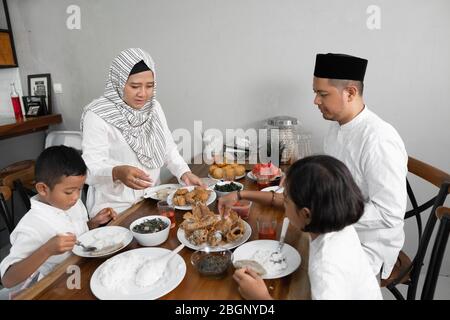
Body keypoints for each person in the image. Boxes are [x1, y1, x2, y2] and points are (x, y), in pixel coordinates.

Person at [220, 53, 408, 280]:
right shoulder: (337, 127)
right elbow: (329, 183)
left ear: (350, 93)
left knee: (287, 272)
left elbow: (390, 214)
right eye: (315, 93)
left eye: (322, 94)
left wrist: (321, 213)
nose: (315, 101)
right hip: (334, 231)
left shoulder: (379, 140)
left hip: (367, 246)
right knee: (268, 254)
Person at [233, 155, 383, 300]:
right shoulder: (340, 225)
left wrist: (261, 297)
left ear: (306, 214)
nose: (283, 203)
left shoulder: (326, 270)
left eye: (285, 199)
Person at [80, 48, 203, 217]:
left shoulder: (153, 107)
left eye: (149, 86)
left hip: (152, 200)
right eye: (135, 86)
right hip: (114, 210)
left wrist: (184, 172)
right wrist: (117, 172)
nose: (143, 94)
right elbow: (88, 169)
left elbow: (167, 147)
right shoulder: (97, 115)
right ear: (119, 81)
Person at [0, 146, 117, 290]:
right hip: (57, 286)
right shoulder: (31, 226)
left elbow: (76, 233)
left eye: (79, 189)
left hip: (80, 271)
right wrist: (47, 250)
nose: (76, 197)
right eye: (69, 192)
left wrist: (93, 223)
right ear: (43, 189)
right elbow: (8, 280)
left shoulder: (71, 204)